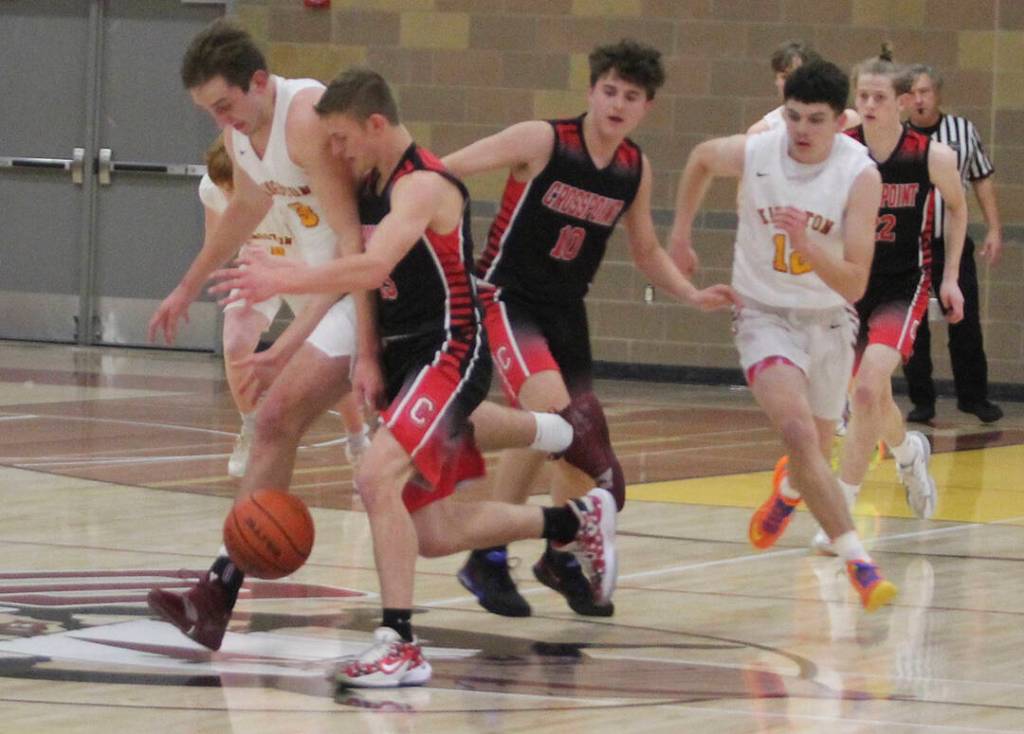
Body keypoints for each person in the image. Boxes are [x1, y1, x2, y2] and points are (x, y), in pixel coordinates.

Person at [209, 67, 619, 688]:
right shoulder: (365, 182)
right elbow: (357, 268)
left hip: (448, 348)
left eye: (344, 138)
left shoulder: (423, 185)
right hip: (402, 355)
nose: (337, 151)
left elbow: (371, 264)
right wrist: (366, 353)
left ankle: (399, 643)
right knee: (430, 533)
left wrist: (280, 279)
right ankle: (572, 517)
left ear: (376, 125)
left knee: (376, 475)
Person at [441, 39, 737, 619]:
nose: (617, 104)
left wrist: (691, 292)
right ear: (590, 91)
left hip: (566, 311)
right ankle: (535, 547)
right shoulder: (543, 140)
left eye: (631, 96)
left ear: (647, 106)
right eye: (609, 91)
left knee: (558, 438)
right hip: (507, 298)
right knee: (565, 423)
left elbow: (646, 248)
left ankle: (527, 556)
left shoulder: (634, 168)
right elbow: (444, 170)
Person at [146, 20, 380, 651]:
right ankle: (216, 592)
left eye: (224, 105)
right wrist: (187, 286)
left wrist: (287, 345)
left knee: (430, 463)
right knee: (275, 421)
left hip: (378, 286)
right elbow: (244, 210)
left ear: (258, 81)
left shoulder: (304, 117)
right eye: (209, 112)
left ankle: (560, 453)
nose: (221, 120)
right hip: (336, 283)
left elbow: (354, 248)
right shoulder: (244, 129)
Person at [669, 60, 898, 611]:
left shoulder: (860, 175)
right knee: (798, 433)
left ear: (840, 121)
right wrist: (679, 234)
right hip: (762, 314)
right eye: (793, 116)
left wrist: (809, 245)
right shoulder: (760, 149)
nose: (801, 129)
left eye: (815, 120)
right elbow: (701, 158)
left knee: (814, 449)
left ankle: (791, 491)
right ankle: (859, 564)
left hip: (827, 319)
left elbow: (856, 280)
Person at [809, 51, 968, 555]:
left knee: (867, 390)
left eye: (880, 97)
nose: (870, 105)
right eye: (863, 96)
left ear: (902, 102)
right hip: (851, 286)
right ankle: (907, 451)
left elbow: (959, 209)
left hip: (904, 285)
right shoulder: (842, 150)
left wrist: (952, 277)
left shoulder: (930, 156)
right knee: (870, 399)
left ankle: (843, 517)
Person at [196, 134, 368, 478]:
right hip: (256, 268)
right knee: (234, 342)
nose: (230, 197)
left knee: (327, 357)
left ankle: (357, 438)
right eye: (224, 190)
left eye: (235, 188)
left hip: (300, 268)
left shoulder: (285, 191)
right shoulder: (211, 189)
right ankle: (252, 427)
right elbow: (216, 247)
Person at [900, 64, 1003, 424]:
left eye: (925, 91)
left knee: (966, 321)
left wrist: (994, 228)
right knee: (914, 326)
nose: (919, 99)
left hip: (952, 244)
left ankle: (973, 397)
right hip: (909, 246)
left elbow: (982, 179)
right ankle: (922, 401)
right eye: (912, 92)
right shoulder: (896, 136)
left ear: (937, 95)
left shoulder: (961, 130)